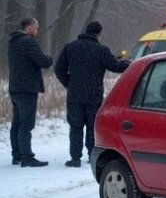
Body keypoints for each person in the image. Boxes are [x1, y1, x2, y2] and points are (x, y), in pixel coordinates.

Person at [55, 21, 130, 167]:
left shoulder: (70, 47)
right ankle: (92, 156)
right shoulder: (101, 50)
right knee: (91, 126)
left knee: (75, 126)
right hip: (93, 95)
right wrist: (129, 64)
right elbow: (115, 66)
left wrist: (69, 85)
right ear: (99, 34)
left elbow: (59, 69)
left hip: (74, 96)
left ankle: (75, 158)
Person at [7, 17, 53, 167]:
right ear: (29, 27)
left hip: (15, 88)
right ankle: (27, 157)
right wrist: (49, 58)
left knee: (17, 123)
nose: (38, 30)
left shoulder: (12, 42)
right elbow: (43, 61)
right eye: (36, 27)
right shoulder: (29, 41)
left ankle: (17, 155)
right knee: (26, 124)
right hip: (27, 89)